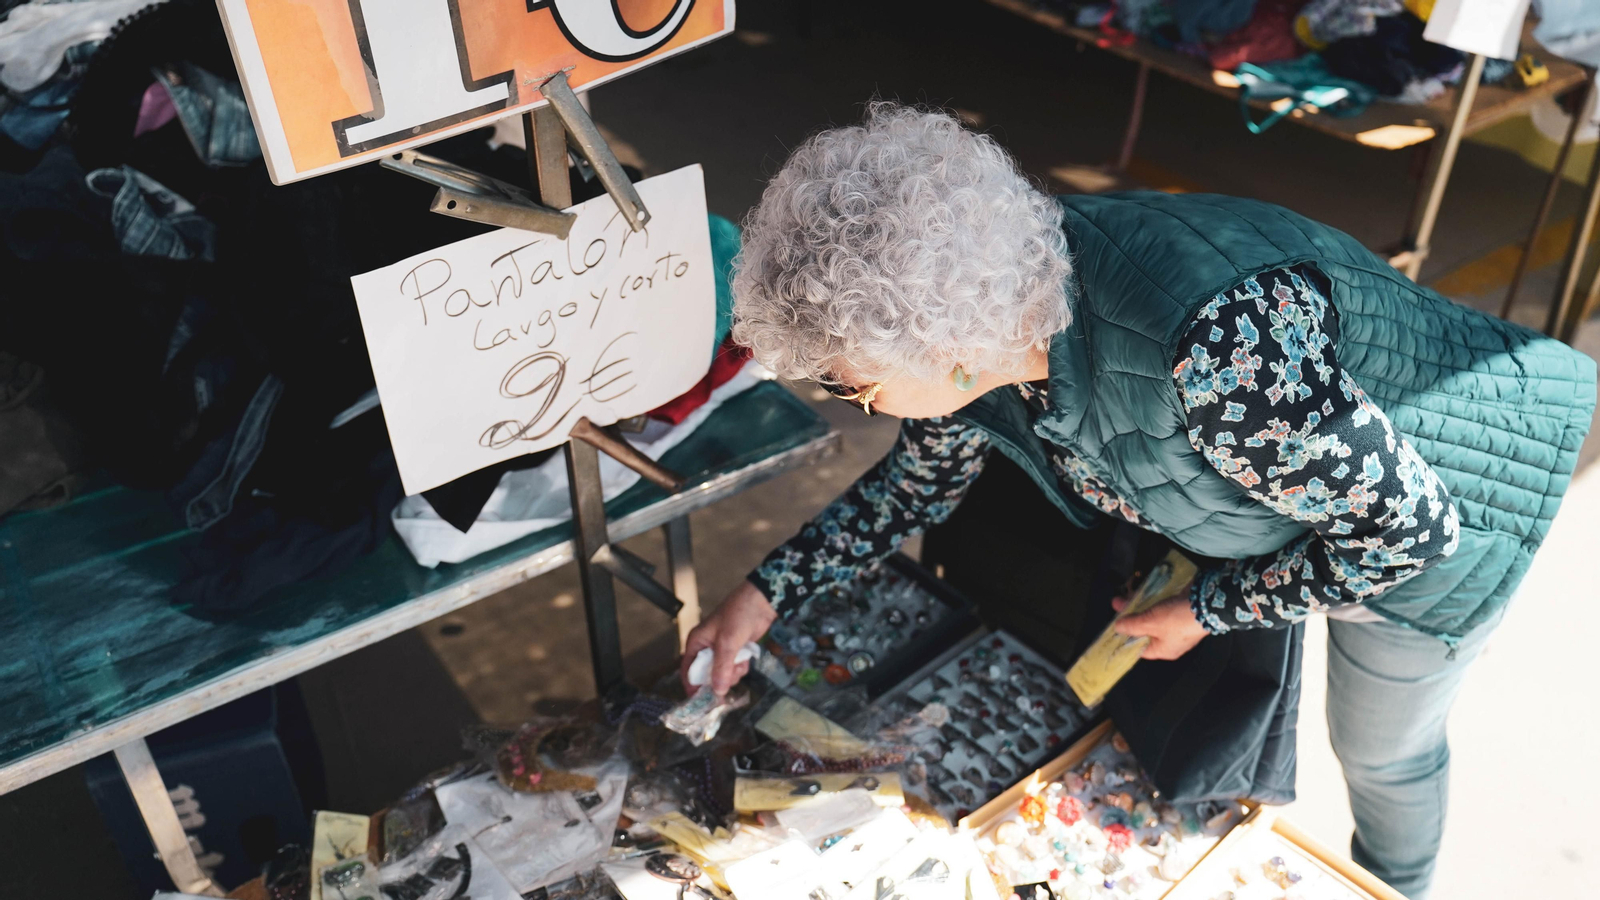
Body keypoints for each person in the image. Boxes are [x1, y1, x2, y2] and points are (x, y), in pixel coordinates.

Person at [680, 102, 1595, 898]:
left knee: (1380, 751)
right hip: (1296, 504)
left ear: (934, 344)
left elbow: (1409, 532)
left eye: (850, 386)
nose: (855, 406)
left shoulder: (1215, 356)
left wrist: (1209, 610)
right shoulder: (990, 315)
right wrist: (764, 594)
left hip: (1457, 504)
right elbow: (917, 485)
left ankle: (1398, 888)